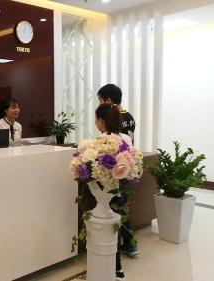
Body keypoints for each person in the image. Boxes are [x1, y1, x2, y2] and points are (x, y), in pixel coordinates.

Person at [97, 84, 140, 256]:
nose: (100, 105)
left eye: (100, 101)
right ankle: (129, 243)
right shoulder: (128, 116)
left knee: (116, 208)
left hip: (116, 170)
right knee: (122, 207)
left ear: (108, 100)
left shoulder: (114, 119)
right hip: (128, 167)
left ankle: (119, 245)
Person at [95, 103, 132, 280]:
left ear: (101, 121)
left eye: (96, 118)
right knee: (116, 223)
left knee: (109, 227)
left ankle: (115, 266)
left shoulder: (101, 140)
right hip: (123, 187)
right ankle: (116, 266)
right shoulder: (126, 138)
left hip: (108, 190)